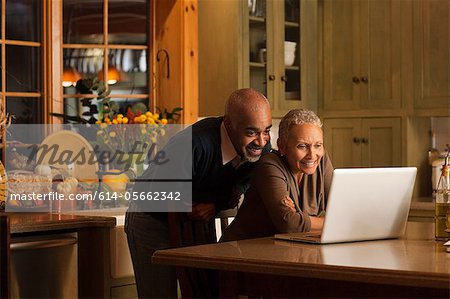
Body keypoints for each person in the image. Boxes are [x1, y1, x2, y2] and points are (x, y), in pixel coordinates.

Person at [125, 88, 272, 298]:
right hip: (152, 217)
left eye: (266, 130)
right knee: (159, 294)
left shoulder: (262, 148)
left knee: (204, 291)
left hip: (195, 219)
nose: (261, 141)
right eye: (251, 132)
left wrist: (215, 204)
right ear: (228, 123)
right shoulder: (194, 144)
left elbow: (240, 186)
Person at [221, 109, 333, 242]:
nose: (312, 155)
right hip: (241, 251)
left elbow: (344, 209)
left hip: (288, 250)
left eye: (318, 145)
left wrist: (302, 219)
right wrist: (334, 223)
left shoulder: (321, 160)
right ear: (282, 146)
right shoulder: (269, 165)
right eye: (302, 146)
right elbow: (290, 224)